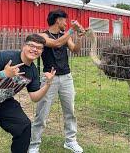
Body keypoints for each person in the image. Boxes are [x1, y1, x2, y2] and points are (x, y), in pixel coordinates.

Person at [0, 34, 55, 153]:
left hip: (3, 102)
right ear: (24, 46)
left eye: (39, 48)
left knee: (24, 127)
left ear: (42, 51)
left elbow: (35, 97)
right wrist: (3, 74)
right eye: (31, 45)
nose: (35, 49)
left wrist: (48, 84)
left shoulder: (33, 71)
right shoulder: (4, 57)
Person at [29, 9, 84, 153]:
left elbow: (75, 50)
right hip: (49, 78)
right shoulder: (42, 36)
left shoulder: (65, 36)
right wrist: (72, 30)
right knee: (42, 112)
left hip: (66, 77)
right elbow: (56, 44)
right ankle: (34, 144)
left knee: (70, 111)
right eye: (64, 20)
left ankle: (70, 141)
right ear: (57, 20)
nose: (66, 23)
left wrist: (80, 36)